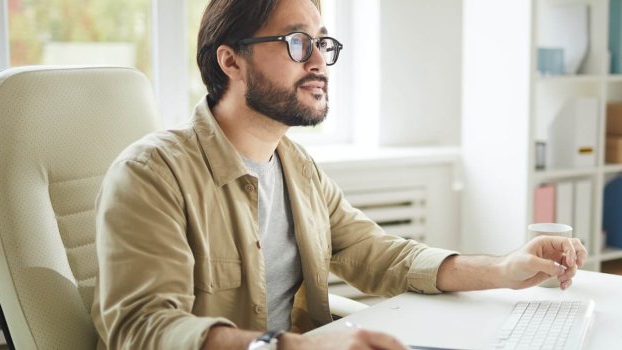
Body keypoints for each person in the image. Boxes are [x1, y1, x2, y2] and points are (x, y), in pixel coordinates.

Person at [91, 0, 587, 349]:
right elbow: (142, 330)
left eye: (323, 43)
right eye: (296, 42)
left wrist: (503, 270)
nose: (318, 62)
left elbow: (377, 253)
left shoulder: (296, 166)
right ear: (230, 60)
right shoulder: (151, 175)